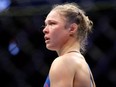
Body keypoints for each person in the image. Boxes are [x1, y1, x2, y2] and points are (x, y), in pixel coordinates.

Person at [43, 2, 96, 87]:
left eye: (52, 23)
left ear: (72, 28)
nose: (45, 30)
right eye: (45, 25)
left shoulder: (64, 62)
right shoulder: (84, 66)